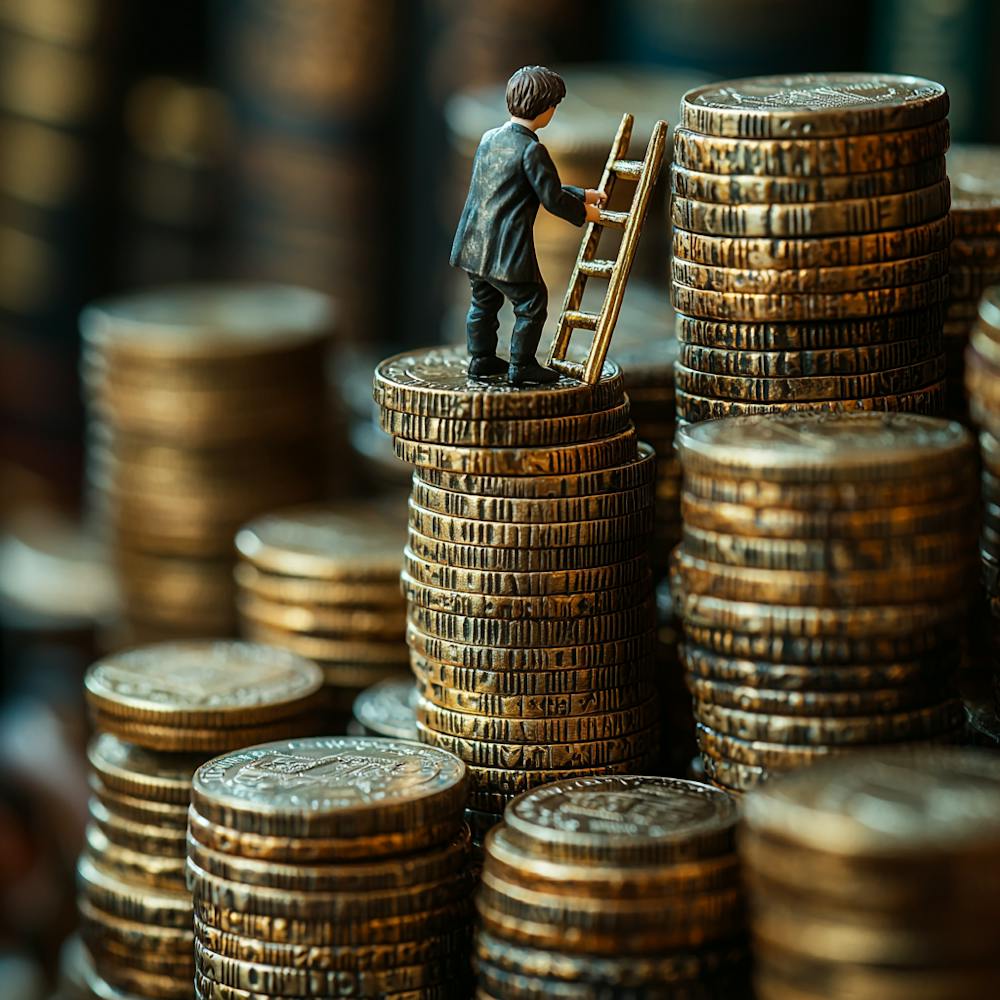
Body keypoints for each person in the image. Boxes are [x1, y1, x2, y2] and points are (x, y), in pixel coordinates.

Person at [451, 65, 607, 385]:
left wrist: (583, 194)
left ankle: (480, 360)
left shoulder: (489, 138)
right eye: (554, 106)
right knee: (532, 302)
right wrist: (585, 213)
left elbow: (533, 186)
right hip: (504, 248)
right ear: (545, 108)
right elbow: (551, 198)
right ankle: (521, 366)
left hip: (473, 244)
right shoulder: (533, 150)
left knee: (482, 303)